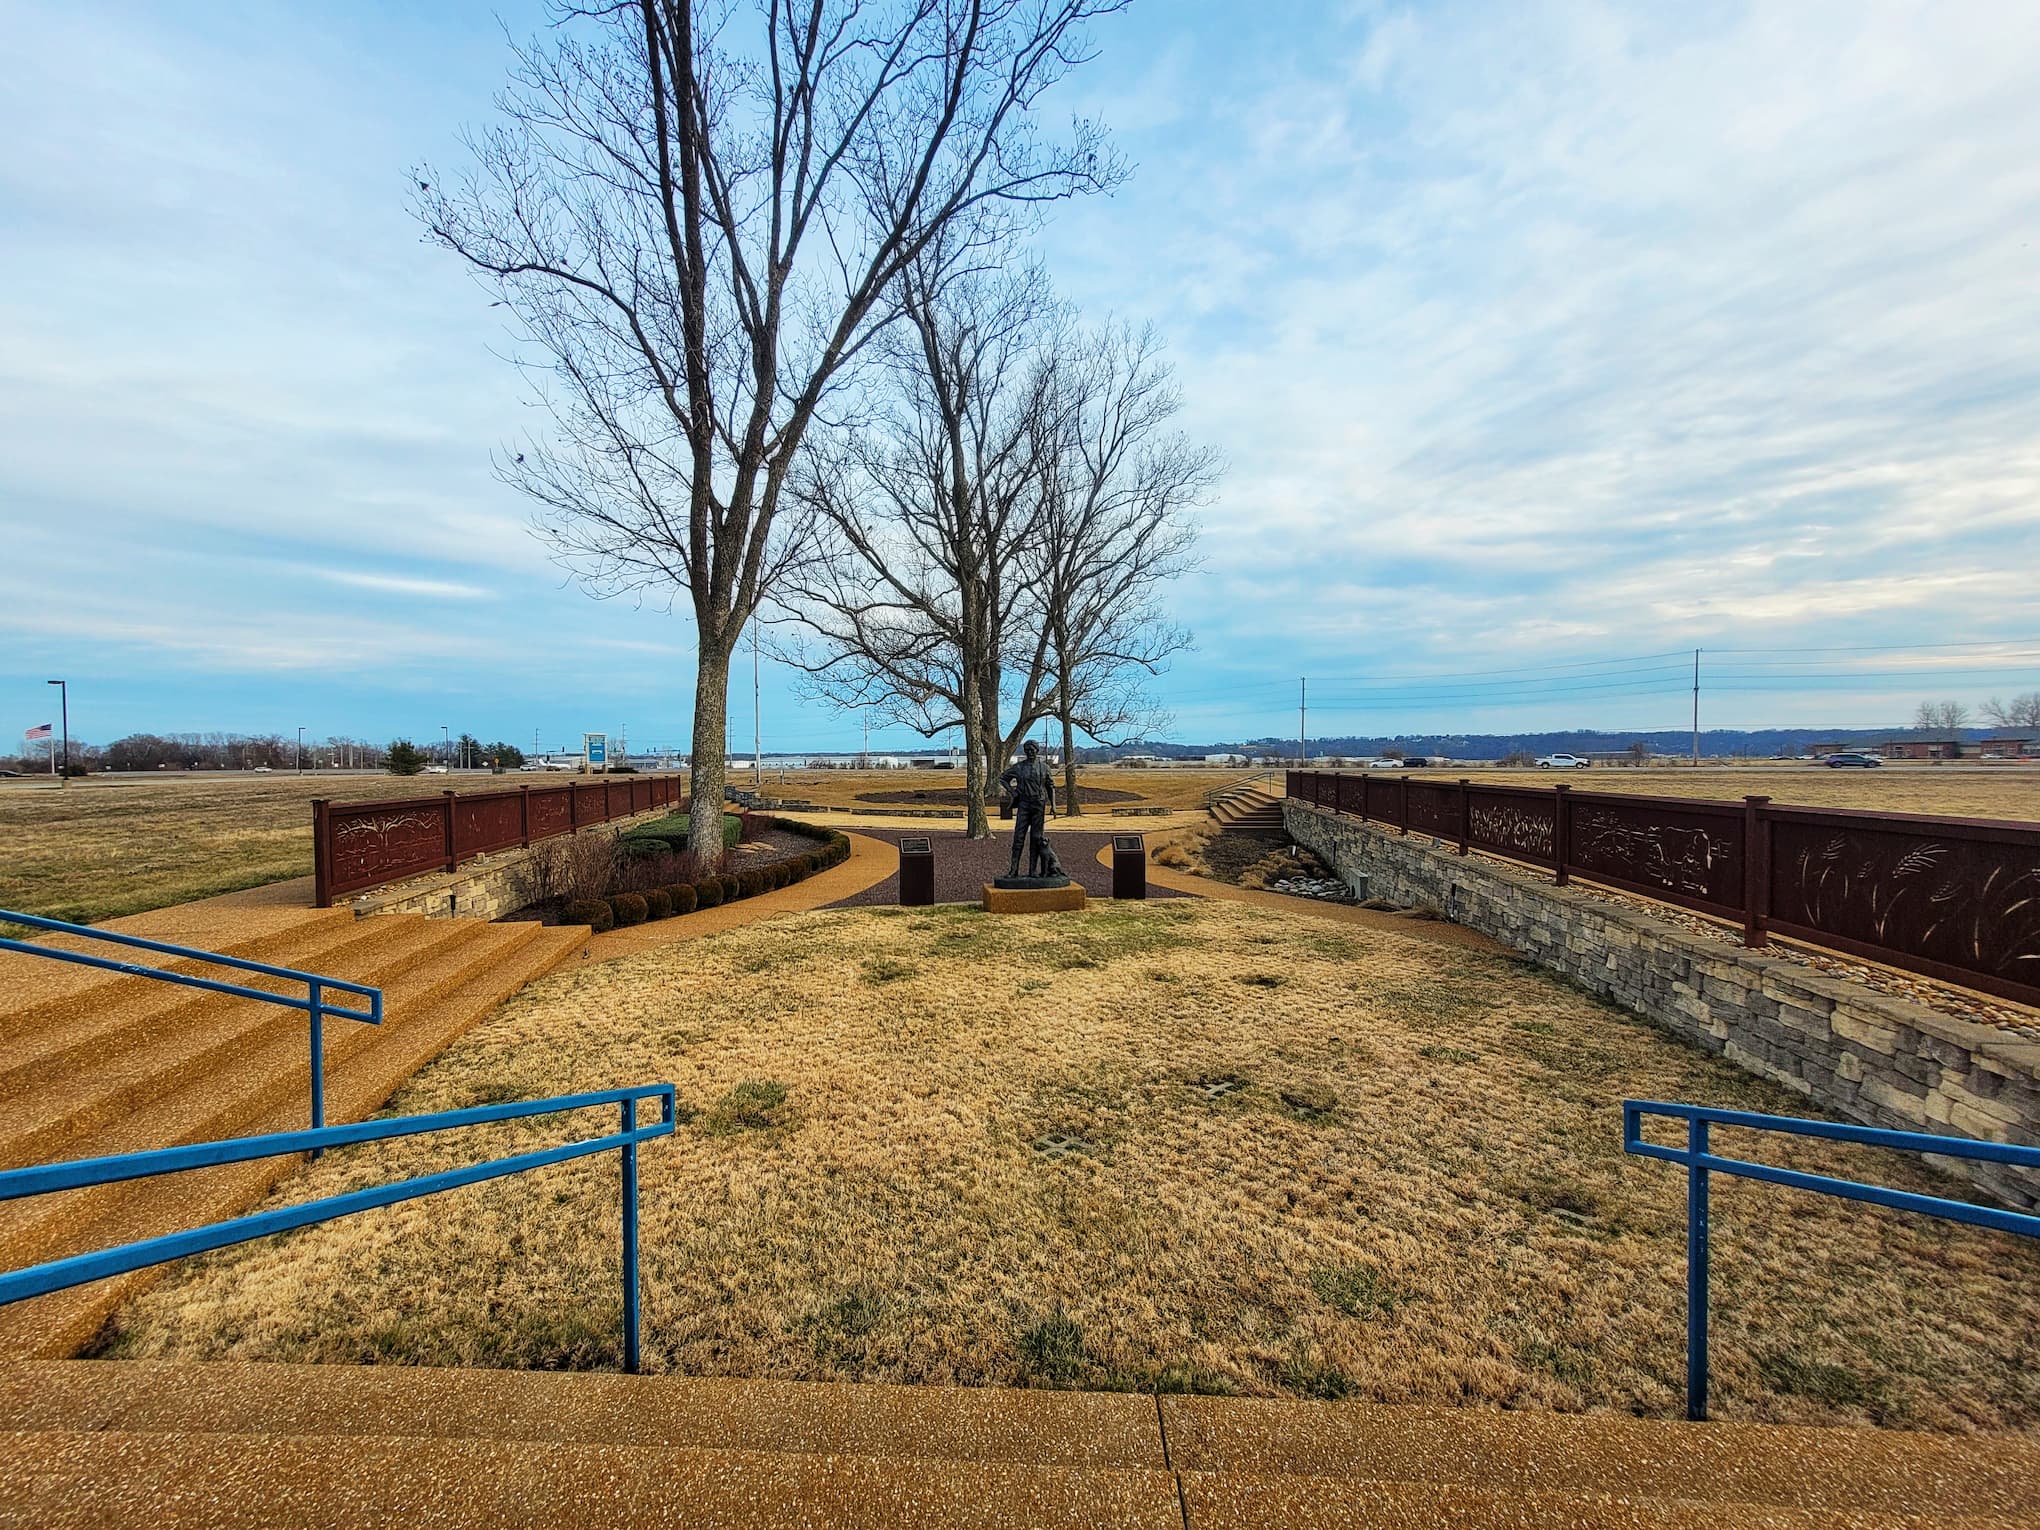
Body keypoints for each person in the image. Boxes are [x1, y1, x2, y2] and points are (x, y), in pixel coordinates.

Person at [999, 741, 1065, 879]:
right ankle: (1013, 870)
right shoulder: (1019, 767)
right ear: (1025, 751)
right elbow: (1003, 778)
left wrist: (1053, 806)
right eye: (1027, 749)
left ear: (1037, 750)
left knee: (1036, 839)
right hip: (1023, 805)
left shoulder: (1044, 768)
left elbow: (1050, 787)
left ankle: (1033, 871)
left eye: (1033, 749)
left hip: (1038, 805)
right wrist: (1013, 792)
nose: (1030, 752)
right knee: (1018, 838)